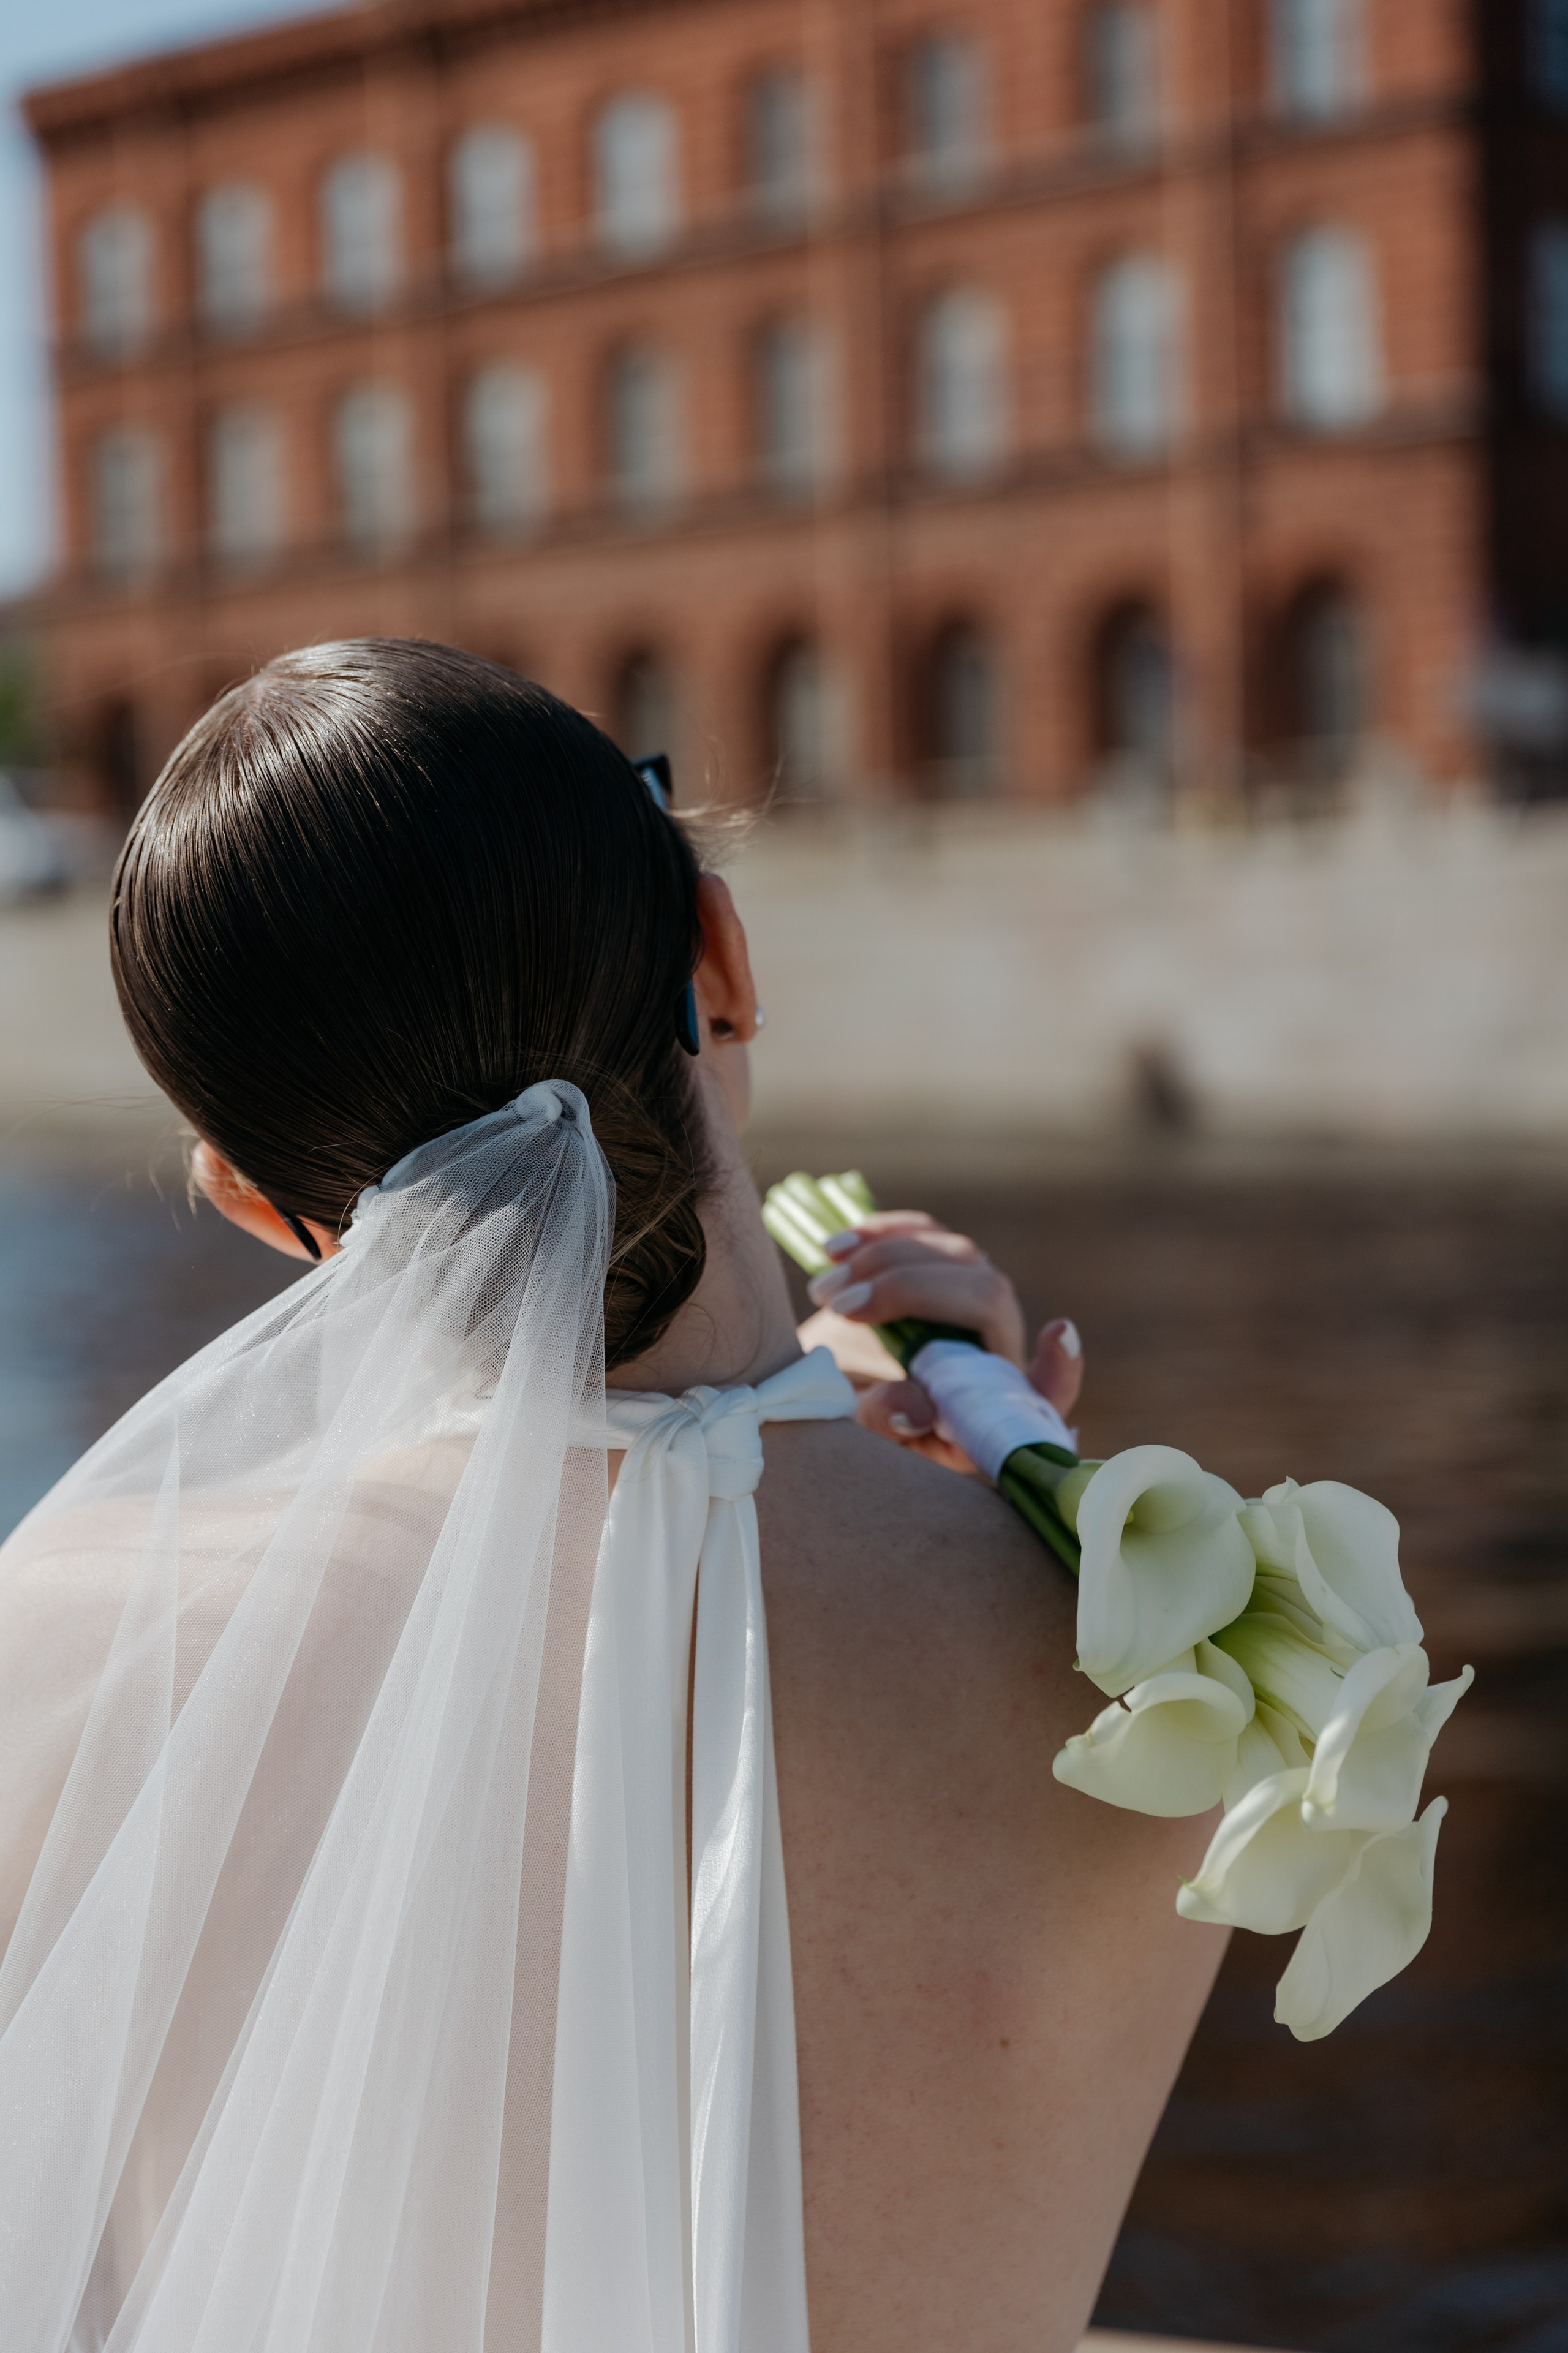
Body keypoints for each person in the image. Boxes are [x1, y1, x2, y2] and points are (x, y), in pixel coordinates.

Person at [0, 641, 1224, 2353]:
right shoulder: (1186, 1648)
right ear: (716, 946)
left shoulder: (59, 1653)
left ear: (258, 1202)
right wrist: (964, 1411)